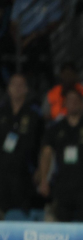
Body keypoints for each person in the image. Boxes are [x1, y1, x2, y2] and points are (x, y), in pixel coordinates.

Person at [37, 87, 83, 222]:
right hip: (61, 185)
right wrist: (43, 180)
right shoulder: (55, 128)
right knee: (63, 229)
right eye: (69, 100)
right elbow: (46, 154)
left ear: (82, 104)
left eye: (76, 100)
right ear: (64, 103)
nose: (73, 103)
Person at [0, 73, 44, 219]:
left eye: (21, 85)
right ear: (8, 89)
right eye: (14, 85)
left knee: (20, 211)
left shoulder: (34, 114)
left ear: (26, 89)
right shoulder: (1, 112)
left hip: (25, 171)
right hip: (2, 170)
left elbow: (43, 144)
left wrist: (40, 170)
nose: (17, 88)